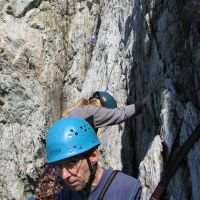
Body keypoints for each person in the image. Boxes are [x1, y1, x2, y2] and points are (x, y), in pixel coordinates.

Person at [46, 117, 142, 199]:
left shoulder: (126, 189)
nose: (64, 175)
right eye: (58, 166)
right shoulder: (65, 195)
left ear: (93, 156)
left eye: (71, 164)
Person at [63, 91, 149, 129]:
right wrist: (142, 104)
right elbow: (119, 114)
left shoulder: (81, 110)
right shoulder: (93, 113)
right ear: (104, 109)